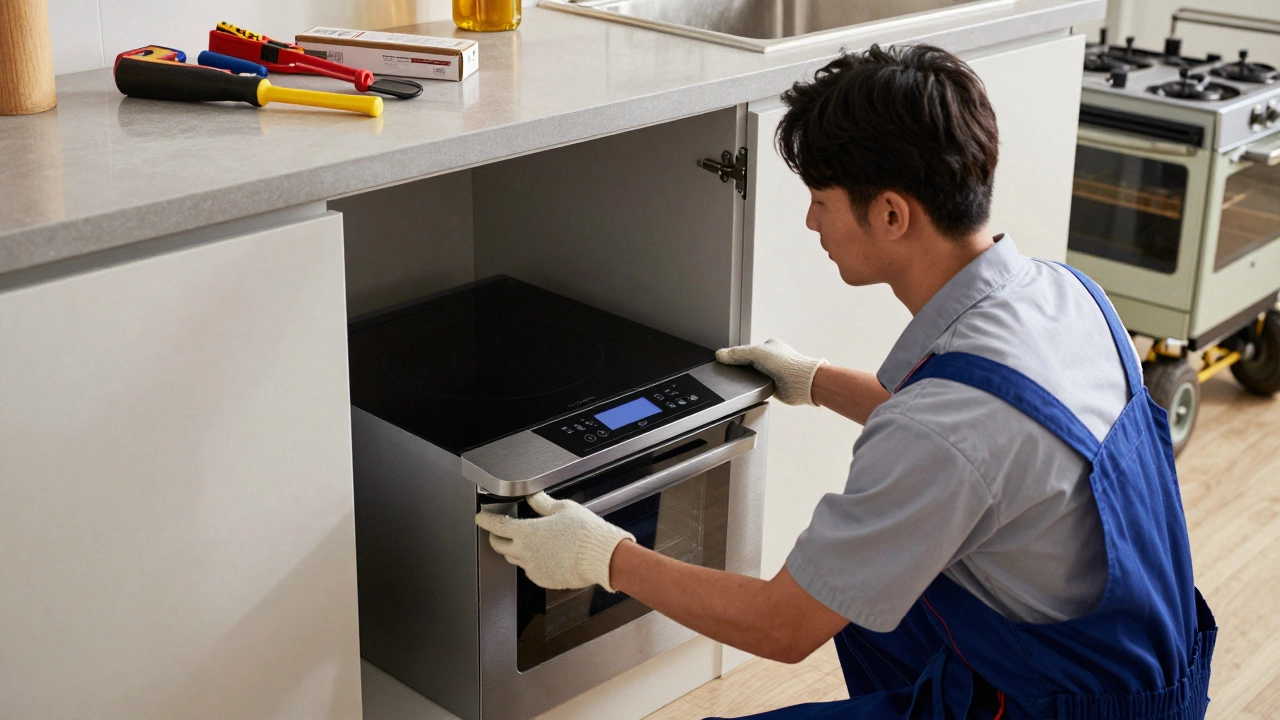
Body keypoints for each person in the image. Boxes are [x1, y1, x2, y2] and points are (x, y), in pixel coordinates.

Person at [475, 44, 1217, 719]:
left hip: (1057, 708)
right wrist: (815, 380)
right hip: (1151, 675)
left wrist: (602, 555)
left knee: (829, 603)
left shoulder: (946, 428)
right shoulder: (1062, 293)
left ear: (892, 213)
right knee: (871, 594)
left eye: (822, 201)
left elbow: (783, 624)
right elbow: (998, 455)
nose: (809, 222)